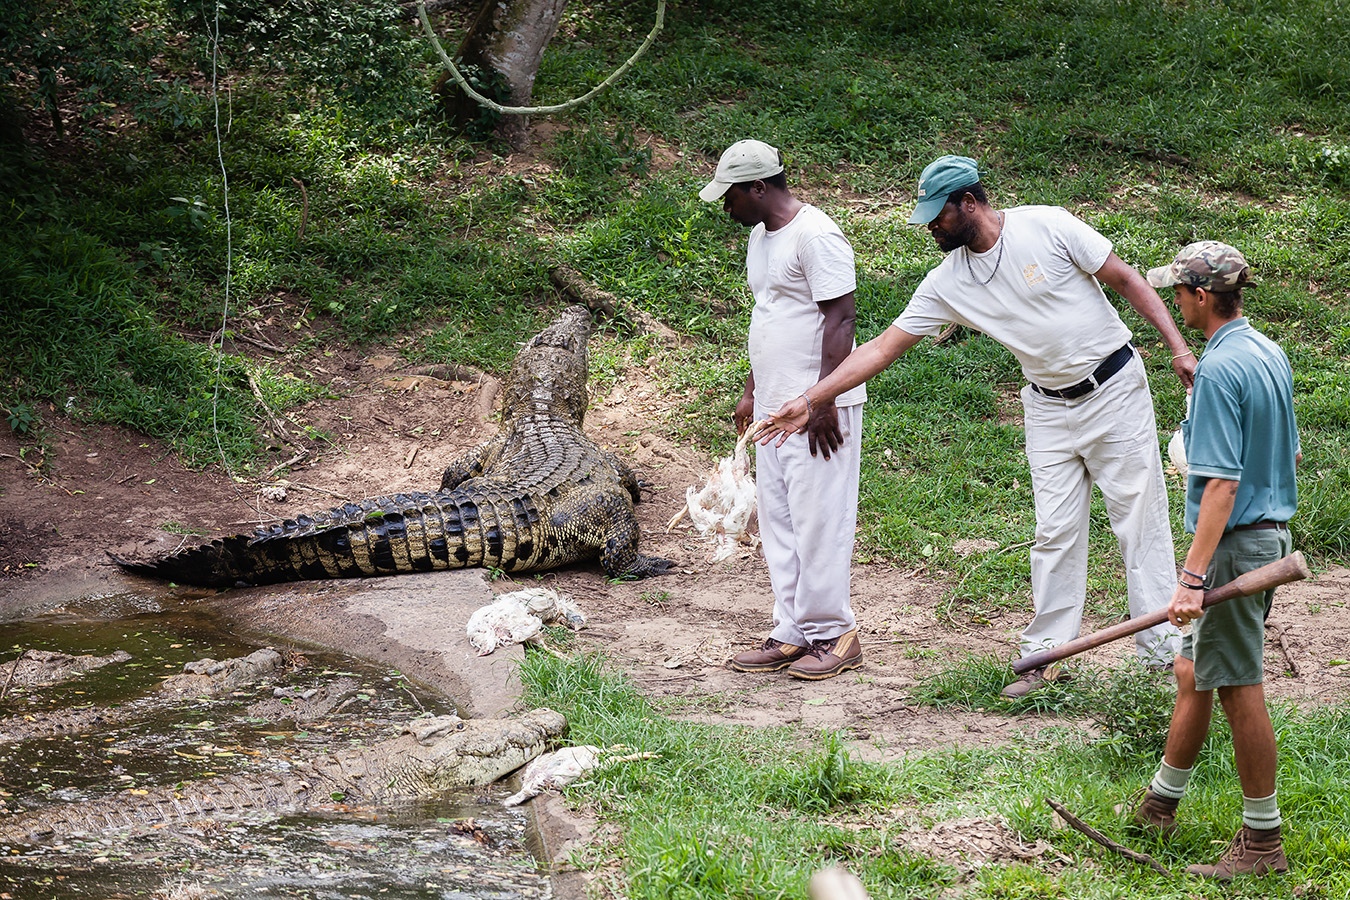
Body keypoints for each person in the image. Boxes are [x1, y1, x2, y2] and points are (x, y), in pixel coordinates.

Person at [759, 154, 1195, 697]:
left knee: (1140, 521)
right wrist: (811, 398)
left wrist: (1176, 347)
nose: (931, 229)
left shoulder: (1049, 226)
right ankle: (1046, 655)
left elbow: (1126, 279)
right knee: (1054, 530)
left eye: (937, 217)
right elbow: (883, 347)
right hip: (1045, 405)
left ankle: (1161, 656)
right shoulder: (948, 281)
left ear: (969, 202)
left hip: (1113, 389)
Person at [1130, 241, 1298, 880]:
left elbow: (1223, 485)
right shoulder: (1264, 353)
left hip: (1232, 544)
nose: (1174, 301)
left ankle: (1262, 844)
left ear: (1200, 297)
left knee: (1236, 684)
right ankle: (1160, 804)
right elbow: (1289, 454)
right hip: (1265, 533)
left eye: (1177, 291)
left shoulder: (1223, 368)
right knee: (1192, 671)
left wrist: (1192, 577)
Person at [699, 138, 866, 680]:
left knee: (820, 520)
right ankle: (793, 630)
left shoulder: (817, 236)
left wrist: (824, 400)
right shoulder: (759, 236)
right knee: (780, 522)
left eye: (730, 196)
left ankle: (835, 633)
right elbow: (766, 313)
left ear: (759, 187)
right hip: (774, 407)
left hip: (815, 407)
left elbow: (841, 321)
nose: (726, 207)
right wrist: (752, 389)